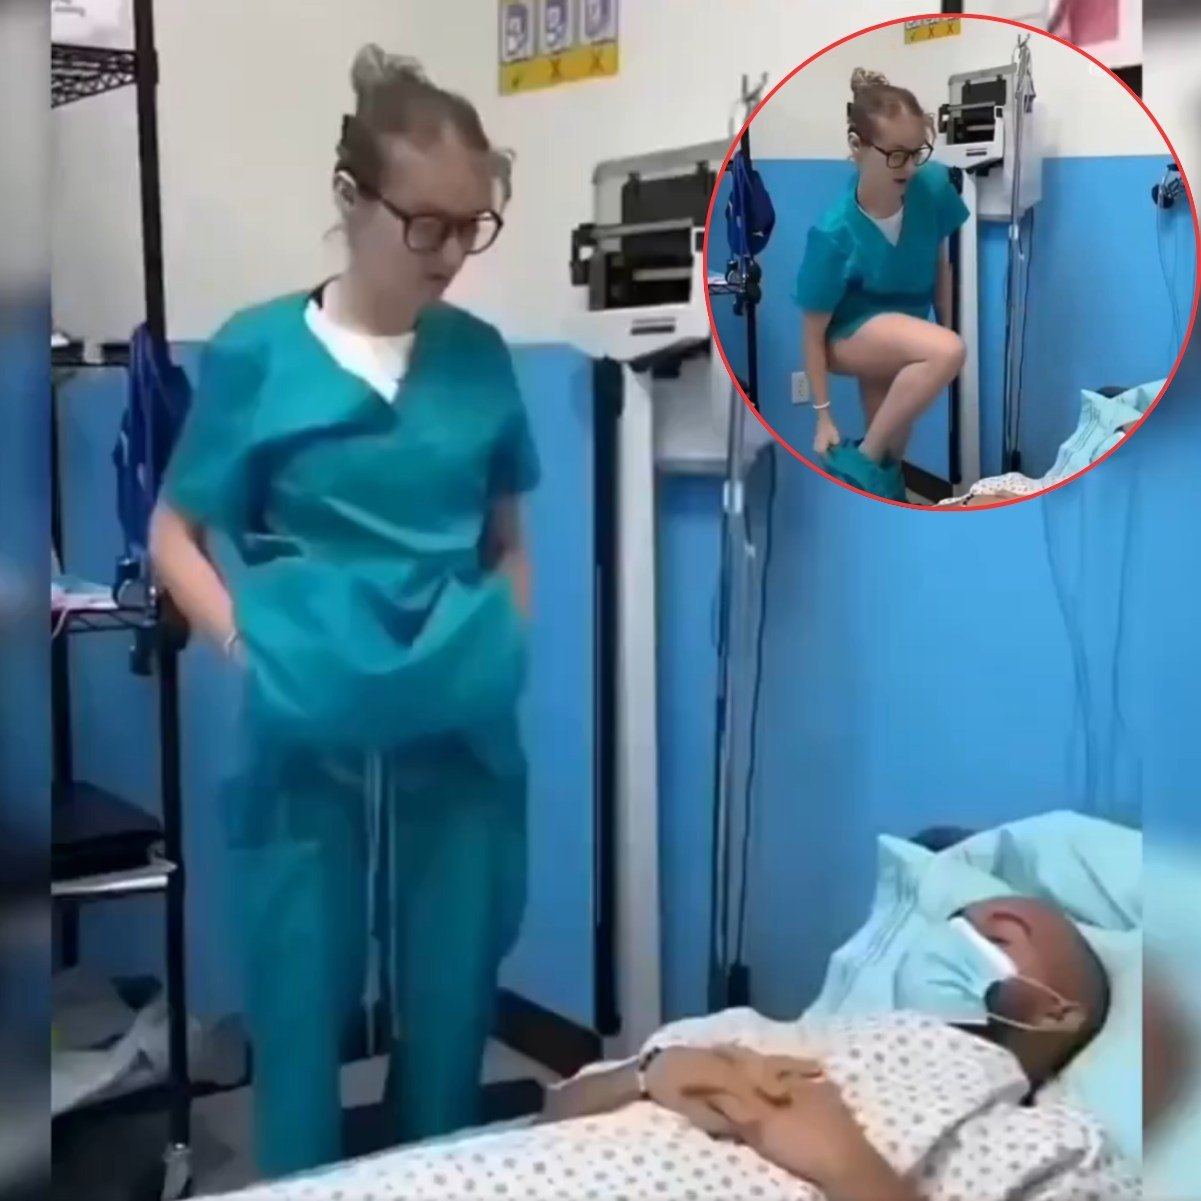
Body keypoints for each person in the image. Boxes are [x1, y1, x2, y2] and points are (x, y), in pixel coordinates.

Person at [149, 46, 539, 1178]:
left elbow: (507, 541)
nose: (451, 254)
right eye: (427, 226)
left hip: (456, 708)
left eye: (472, 227)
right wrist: (248, 644)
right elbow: (175, 531)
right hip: (307, 707)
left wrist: (501, 642)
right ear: (350, 198)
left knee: (453, 981)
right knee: (299, 983)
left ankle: (438, 1171)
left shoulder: (478, 360)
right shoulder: (257, 354)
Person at [220, 897, 1136, 1200]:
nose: (951, 935)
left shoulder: (1051, 1140)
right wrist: (651, 1072)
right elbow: (553, 1110)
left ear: (1056, 1014)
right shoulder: (770, 1029)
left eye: (997, 933)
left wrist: (846, 1164)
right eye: (948, 922)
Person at [796, 69, 969, 502]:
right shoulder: (834, 232)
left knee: (893, 454)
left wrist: (946, 324)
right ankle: (862, 458)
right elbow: (813, 332)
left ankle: (886, 493)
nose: (908, 167)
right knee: (948, 351)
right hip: (848, 336)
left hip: (903, 329)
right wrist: (823, 417)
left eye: (916, 153)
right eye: (895, 155)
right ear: (858, 146)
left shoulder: (931, 188)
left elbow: (939, 265)